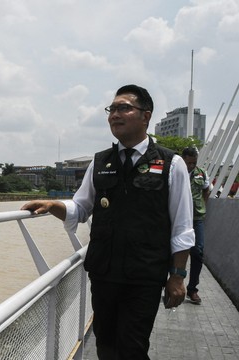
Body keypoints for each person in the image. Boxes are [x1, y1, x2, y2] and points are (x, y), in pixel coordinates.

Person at [21, 84, 195, 359]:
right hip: (104, 273)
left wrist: (178, 276)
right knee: (106, 345)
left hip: (144, 275)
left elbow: (183, 227)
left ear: (145, 116)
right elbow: (80, 207)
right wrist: (53, 205)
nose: (115, 114)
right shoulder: (101, 161)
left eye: (124, 107)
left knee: (132, 347)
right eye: (112, 109)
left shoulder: (170, 163)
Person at [181, 147, 211, 305]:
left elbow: (206, 190)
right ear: (183, 159)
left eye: (194, 163)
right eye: (188, 163)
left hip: (196, 218)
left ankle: (192, 289)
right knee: (173, 251)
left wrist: (202, 207)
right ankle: (170, 284)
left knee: (198, 251)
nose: (191, 166)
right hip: (178, 217)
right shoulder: (176, 171)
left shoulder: (202, 173)